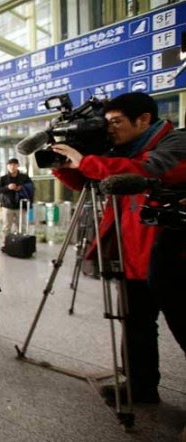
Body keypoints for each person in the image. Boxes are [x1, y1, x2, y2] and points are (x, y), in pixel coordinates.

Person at [51, 92, 186, 405]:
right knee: (136, 323)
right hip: (131, 254)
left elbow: (146, 171)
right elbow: (93, 183)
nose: (109, 129)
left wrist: (87, 162)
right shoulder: (120, 151)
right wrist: (66, 165)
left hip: (172, 255)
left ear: (144, 119)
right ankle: (140, 387)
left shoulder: (176, 143)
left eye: (116, 122)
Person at [0, 158, 34, 235]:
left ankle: (22, 242)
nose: (12, 167)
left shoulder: (24, 178)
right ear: (7, 166)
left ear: (18, 166)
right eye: (10, 165)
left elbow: (31, 189)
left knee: (22, 227)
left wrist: (22, 187)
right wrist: (8, 187)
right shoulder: (3, 179)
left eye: (14, 165)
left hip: (21, 206)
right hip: (7, 206)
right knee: (6, 227)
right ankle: (6, 242)